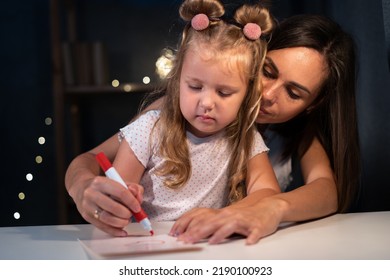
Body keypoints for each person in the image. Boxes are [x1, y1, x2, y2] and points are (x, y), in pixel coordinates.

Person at [65, 12, 361, 243]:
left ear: (312, 104)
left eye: (294, 93)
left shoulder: (288, 133)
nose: (268, 95)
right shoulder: (171, 113)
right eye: (267, 72)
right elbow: (90, 160)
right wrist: (82, 188)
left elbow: (326, 192)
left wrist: (271, 208)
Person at [66, 0, 280, 234]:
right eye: (195, 87)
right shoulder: (149, 129)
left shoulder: (245, 136)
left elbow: (267, 193)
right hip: (149, 246)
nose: (207, 103)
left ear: (247, 94)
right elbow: (115, 201)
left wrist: (224, 215)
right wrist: (120, 202)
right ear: (178, 81)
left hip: (208, 250)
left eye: (224, 92)